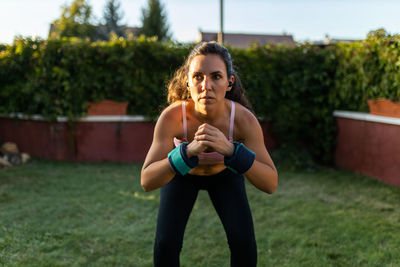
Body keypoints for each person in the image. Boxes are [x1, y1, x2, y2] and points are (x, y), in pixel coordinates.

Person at [141, 41, 278, 267]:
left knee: (244, 243)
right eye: (198, 77)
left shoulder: (243, 120)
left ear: (229, 82)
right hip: (182, 177)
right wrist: (187, 152)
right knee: (165, 244)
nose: (206, 85)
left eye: (216, 76)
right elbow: (147, 180)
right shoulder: (173, 117)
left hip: (225, 175)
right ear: (188, 80)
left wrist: (232, 151)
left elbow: (270, 183)